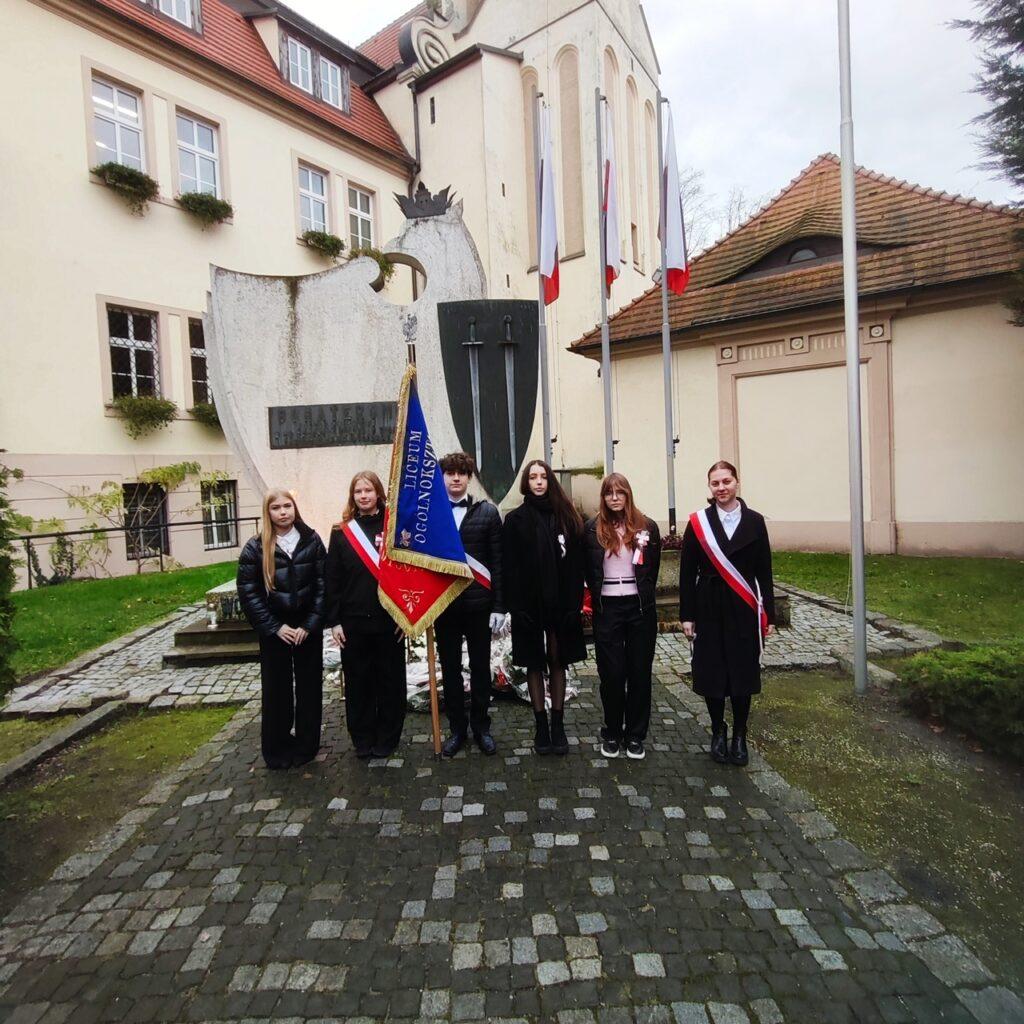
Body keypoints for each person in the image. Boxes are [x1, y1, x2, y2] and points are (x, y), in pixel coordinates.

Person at [678, 460, 775, 767]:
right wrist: (687, 615)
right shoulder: (698, 523)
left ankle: (740, 734)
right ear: (710, 487)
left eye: (726, 481)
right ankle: (718, 730)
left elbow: (765, 570)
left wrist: (769, 615)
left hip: (743, 607)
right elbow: (686, 573)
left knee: (743, 671)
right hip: (708, 605)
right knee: (712, 671)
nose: (721, 488)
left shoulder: (755, 521)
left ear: (736, 482)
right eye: (715, 483)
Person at [237, 488, 326, 770]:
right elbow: (249, 592)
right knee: (277, 690)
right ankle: (277, 748)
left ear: (294, 508)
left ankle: (307, 745)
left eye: (287, 506)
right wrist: (274, 627)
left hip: (306, 628)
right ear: (268, 512)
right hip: (276, 629)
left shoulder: (311, 541)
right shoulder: (255, 547)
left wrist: (310, 625)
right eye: (276, 508)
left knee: (309, 687)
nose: (283, 512)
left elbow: (323, 585)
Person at [502, 460, 586, 755]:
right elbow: (509, 567)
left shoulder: (567, 517)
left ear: (550, 480)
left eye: (543, 477)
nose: (538, 482)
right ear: (526, 482)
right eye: (533, 477)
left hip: (561, 604)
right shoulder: (515, 520)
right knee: (534, 663)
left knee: (558, 660)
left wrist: (574, 603)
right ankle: (541, 725)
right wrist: (515, 606)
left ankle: (558, 724)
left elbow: (577, 564)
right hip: (529, 605)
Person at [325, 471, 406, 760]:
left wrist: (406, 616)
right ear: (352, 496)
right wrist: (334, 621)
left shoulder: (394, 528)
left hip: (389, 621)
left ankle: (388, 737)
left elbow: (407, 573)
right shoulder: (341, 532)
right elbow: (332, 579)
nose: (363, 496)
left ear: (378, 493)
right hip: (353, 622)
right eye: (358, 491)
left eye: (368, 490)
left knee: (389, 682)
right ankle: (362, 737)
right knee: (359, 683)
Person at [583, 473, 661, 761]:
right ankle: (613, 732)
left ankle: (635, 735)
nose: (614, 498)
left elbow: (652, 569)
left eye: (620, 492)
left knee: (639, 672)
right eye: (609, 493)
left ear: (628, 495)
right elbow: (587, 569)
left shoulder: (646, 527)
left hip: (639, 608)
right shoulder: (592, 529)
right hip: (608, 608)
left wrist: (643, 595)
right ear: (603, 498)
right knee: (612, 674)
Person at [435, 452, 506, 757]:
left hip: (479, 607)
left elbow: (499, 563)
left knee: (480, 669)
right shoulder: (431, 515)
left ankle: (481, 727)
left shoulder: (488, 513)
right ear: (442, 477)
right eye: (450, 473)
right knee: (450, 670)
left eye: (461, 473)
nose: (455, 478)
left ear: (469, 478)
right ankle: (456, 730)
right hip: (445, 606)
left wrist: (499, 607)